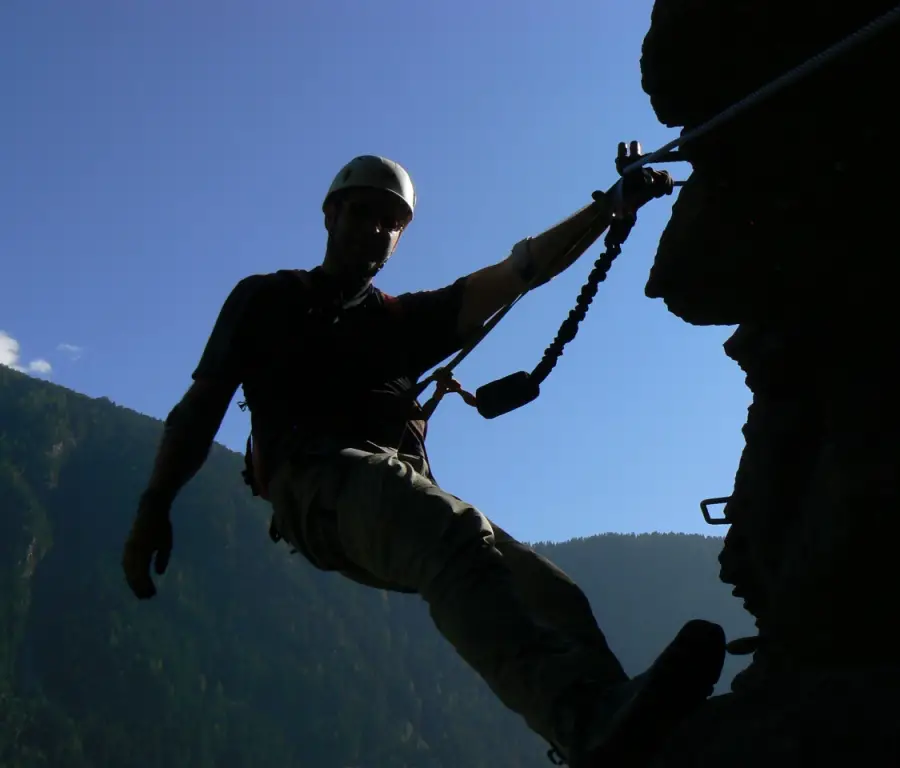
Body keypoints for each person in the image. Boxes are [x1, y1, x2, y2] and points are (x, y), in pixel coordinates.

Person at [121, 154, 725, 766]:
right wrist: (154, 505)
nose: (375, 229)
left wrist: (609, 206)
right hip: (316, 486)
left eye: (391, 221)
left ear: (401, 236)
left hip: (389, 492)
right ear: (330, 215)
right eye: (362, 212)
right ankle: (585, 720)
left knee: (552, 595)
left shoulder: (404, 321)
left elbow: (522, 271)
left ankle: (625, 735)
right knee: (449, 527)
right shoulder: (269, 300)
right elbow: (201, 407)